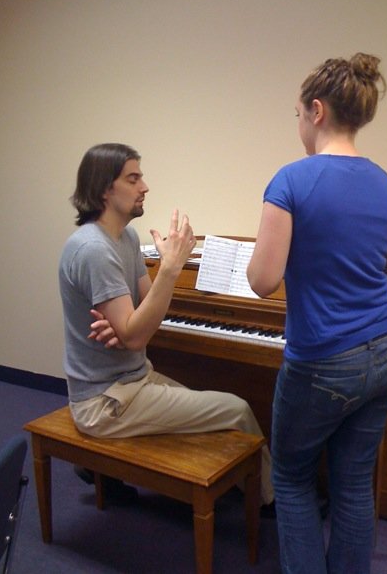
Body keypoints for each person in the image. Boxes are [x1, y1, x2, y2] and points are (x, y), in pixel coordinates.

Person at [246, 53, 387, 573]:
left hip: (323, 363)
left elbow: (261, 280)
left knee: (294, 479)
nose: (298, 124)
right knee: (351, 484)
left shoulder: (292, 181)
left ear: (316, 111)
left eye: (297, 113)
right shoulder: (385, 182)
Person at [58, 142, 274, 510]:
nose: (145, 187)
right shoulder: (93, 249)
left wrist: (129, 327)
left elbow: (144, 309)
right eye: (133, 178)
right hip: (104, 402)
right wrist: (168, 273)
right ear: (105, 190)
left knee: (216, 409)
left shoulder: (124, 237)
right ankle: (270, 502)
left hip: (133, 379)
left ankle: (109, 473)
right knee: (237, 410)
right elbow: (139, 328)